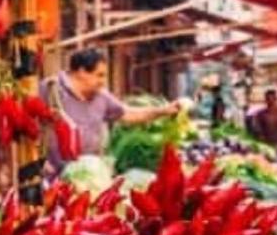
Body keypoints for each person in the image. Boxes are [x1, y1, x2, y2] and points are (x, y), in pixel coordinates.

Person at [39, 48, 180, 170]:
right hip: (51, 173)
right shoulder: (51, 89)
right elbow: (29, 121)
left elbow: (128, 114)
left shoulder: (101, 96)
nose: (103, 81)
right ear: (81, 72)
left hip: (85, 172)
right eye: (99, 75)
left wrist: (163, 111)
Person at [253, 89, 277, 160]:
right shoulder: (261, 114)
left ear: (275, 99)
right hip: (267, 143)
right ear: (265, 100)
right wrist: (259, 137)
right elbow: (256, 128)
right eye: (268, 99)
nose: (270, 101)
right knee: (269, 163)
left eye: (272, 99)